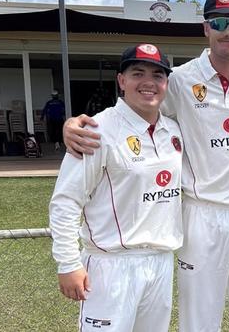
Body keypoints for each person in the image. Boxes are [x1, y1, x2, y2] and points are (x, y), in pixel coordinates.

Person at [62, 0, 229, 331]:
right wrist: (74, 123)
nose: (228, 31)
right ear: (206, 28)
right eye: (219, 23)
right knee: (198, 315)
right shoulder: (178, 80)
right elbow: (135, 111)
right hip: (200, 212)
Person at [49, 43, 183, 331]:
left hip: (160, 261)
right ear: (121, 80)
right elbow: (66, 201)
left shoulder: (173, 130)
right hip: (111, 265)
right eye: (138, 73)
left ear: (166, 83)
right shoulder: (96, 131)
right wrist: (68, 263)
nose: (148, 82)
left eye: (157, 75)